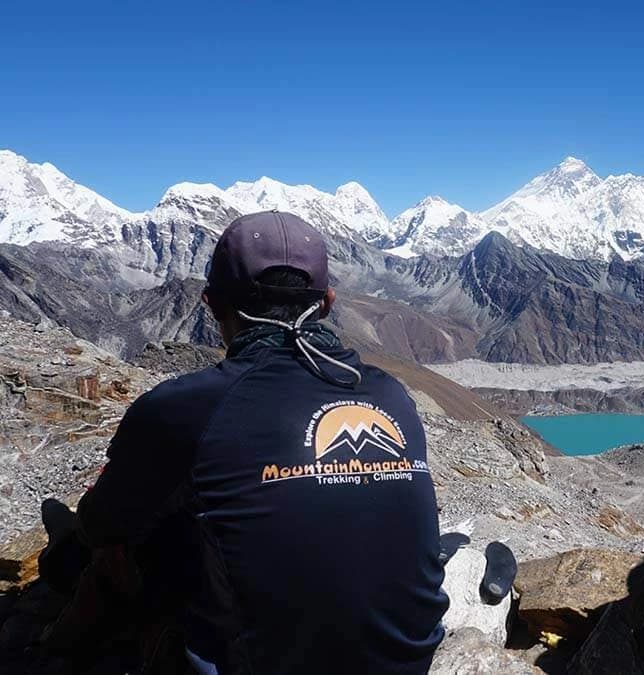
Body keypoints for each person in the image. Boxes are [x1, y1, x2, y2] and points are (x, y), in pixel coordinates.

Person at [62, 211, 449, 674]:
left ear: (210, 304)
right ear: (327, 302)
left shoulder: (184, 407)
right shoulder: (391, 394)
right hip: (411, 662)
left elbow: (102, 524)